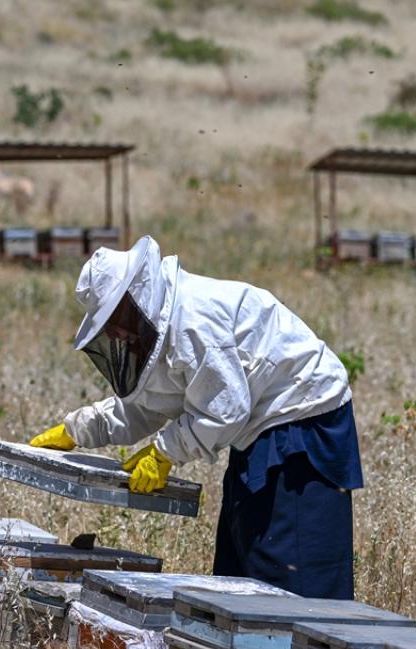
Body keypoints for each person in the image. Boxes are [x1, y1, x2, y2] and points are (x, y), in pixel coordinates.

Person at [29, 236, 362, 600]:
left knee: (286, 572)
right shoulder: (162, 330)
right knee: (240, 570)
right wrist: (77, 429)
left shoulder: (193, 322)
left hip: (301, 424)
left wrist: (165, 452)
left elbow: (226, 409)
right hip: (260, 431)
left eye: (116, 319)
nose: (117, 334)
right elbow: (145, 405)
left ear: (136, 300)